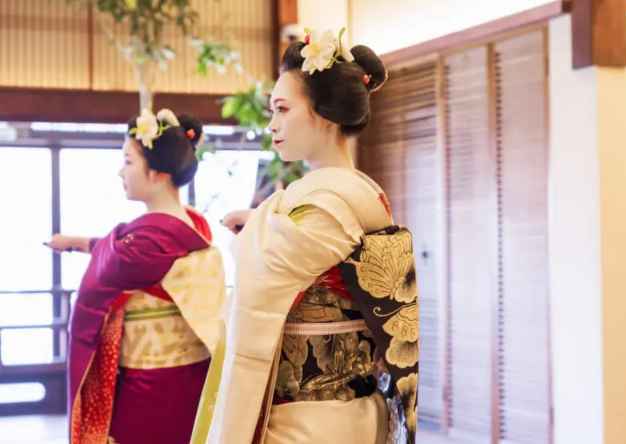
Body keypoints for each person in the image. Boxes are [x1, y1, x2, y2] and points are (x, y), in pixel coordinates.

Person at [203, 29, 419, 444]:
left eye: (283, 109)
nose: (272, 124)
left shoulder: (329, 203)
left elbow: (263, 267)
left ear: (324, 112)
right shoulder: (349, 194)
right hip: (340, 412)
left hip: (312, 418)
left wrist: (258, 224)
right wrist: (262, 219)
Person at [45, 109, 227, 444]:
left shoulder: (151, 239)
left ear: (157, 173)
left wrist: (81, 244)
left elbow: (113, 262)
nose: (121, 171)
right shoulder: (191, 226)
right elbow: (115, 251)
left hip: (151, 384)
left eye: (128, 161)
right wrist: (77, 243)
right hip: (188, 376)